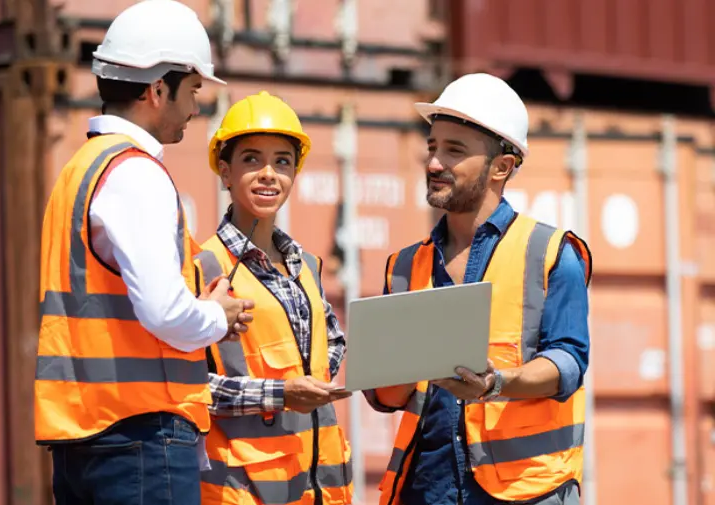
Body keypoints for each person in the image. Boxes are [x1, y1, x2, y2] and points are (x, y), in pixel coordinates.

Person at [34, 1, 254, 503]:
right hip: (140, 436)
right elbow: (164, 312)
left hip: (84, 434)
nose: (196, 109)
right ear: (158, 90)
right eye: (193, 90)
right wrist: (216, 316)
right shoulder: (137, 174)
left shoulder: (81, 169)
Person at [366, 73, 592, 505]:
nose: (434, 163)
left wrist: (495, 384)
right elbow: (389, 395)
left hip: (526, 491)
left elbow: (568, 364)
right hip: (425, 490)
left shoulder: (550, 253)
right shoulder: (404, 266)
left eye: (454, 150)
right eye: (433, 148)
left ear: (501, 167)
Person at [193, 91, 354, 505]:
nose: (269, 174)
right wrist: (281, 394)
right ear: (225, 173)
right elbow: (190, 385)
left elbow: (331, 342)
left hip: (319, 486)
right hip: (245, 490)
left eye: (282, 161)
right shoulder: (203, 266)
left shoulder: (308, 266)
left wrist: (316, 380)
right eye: (252, 159)